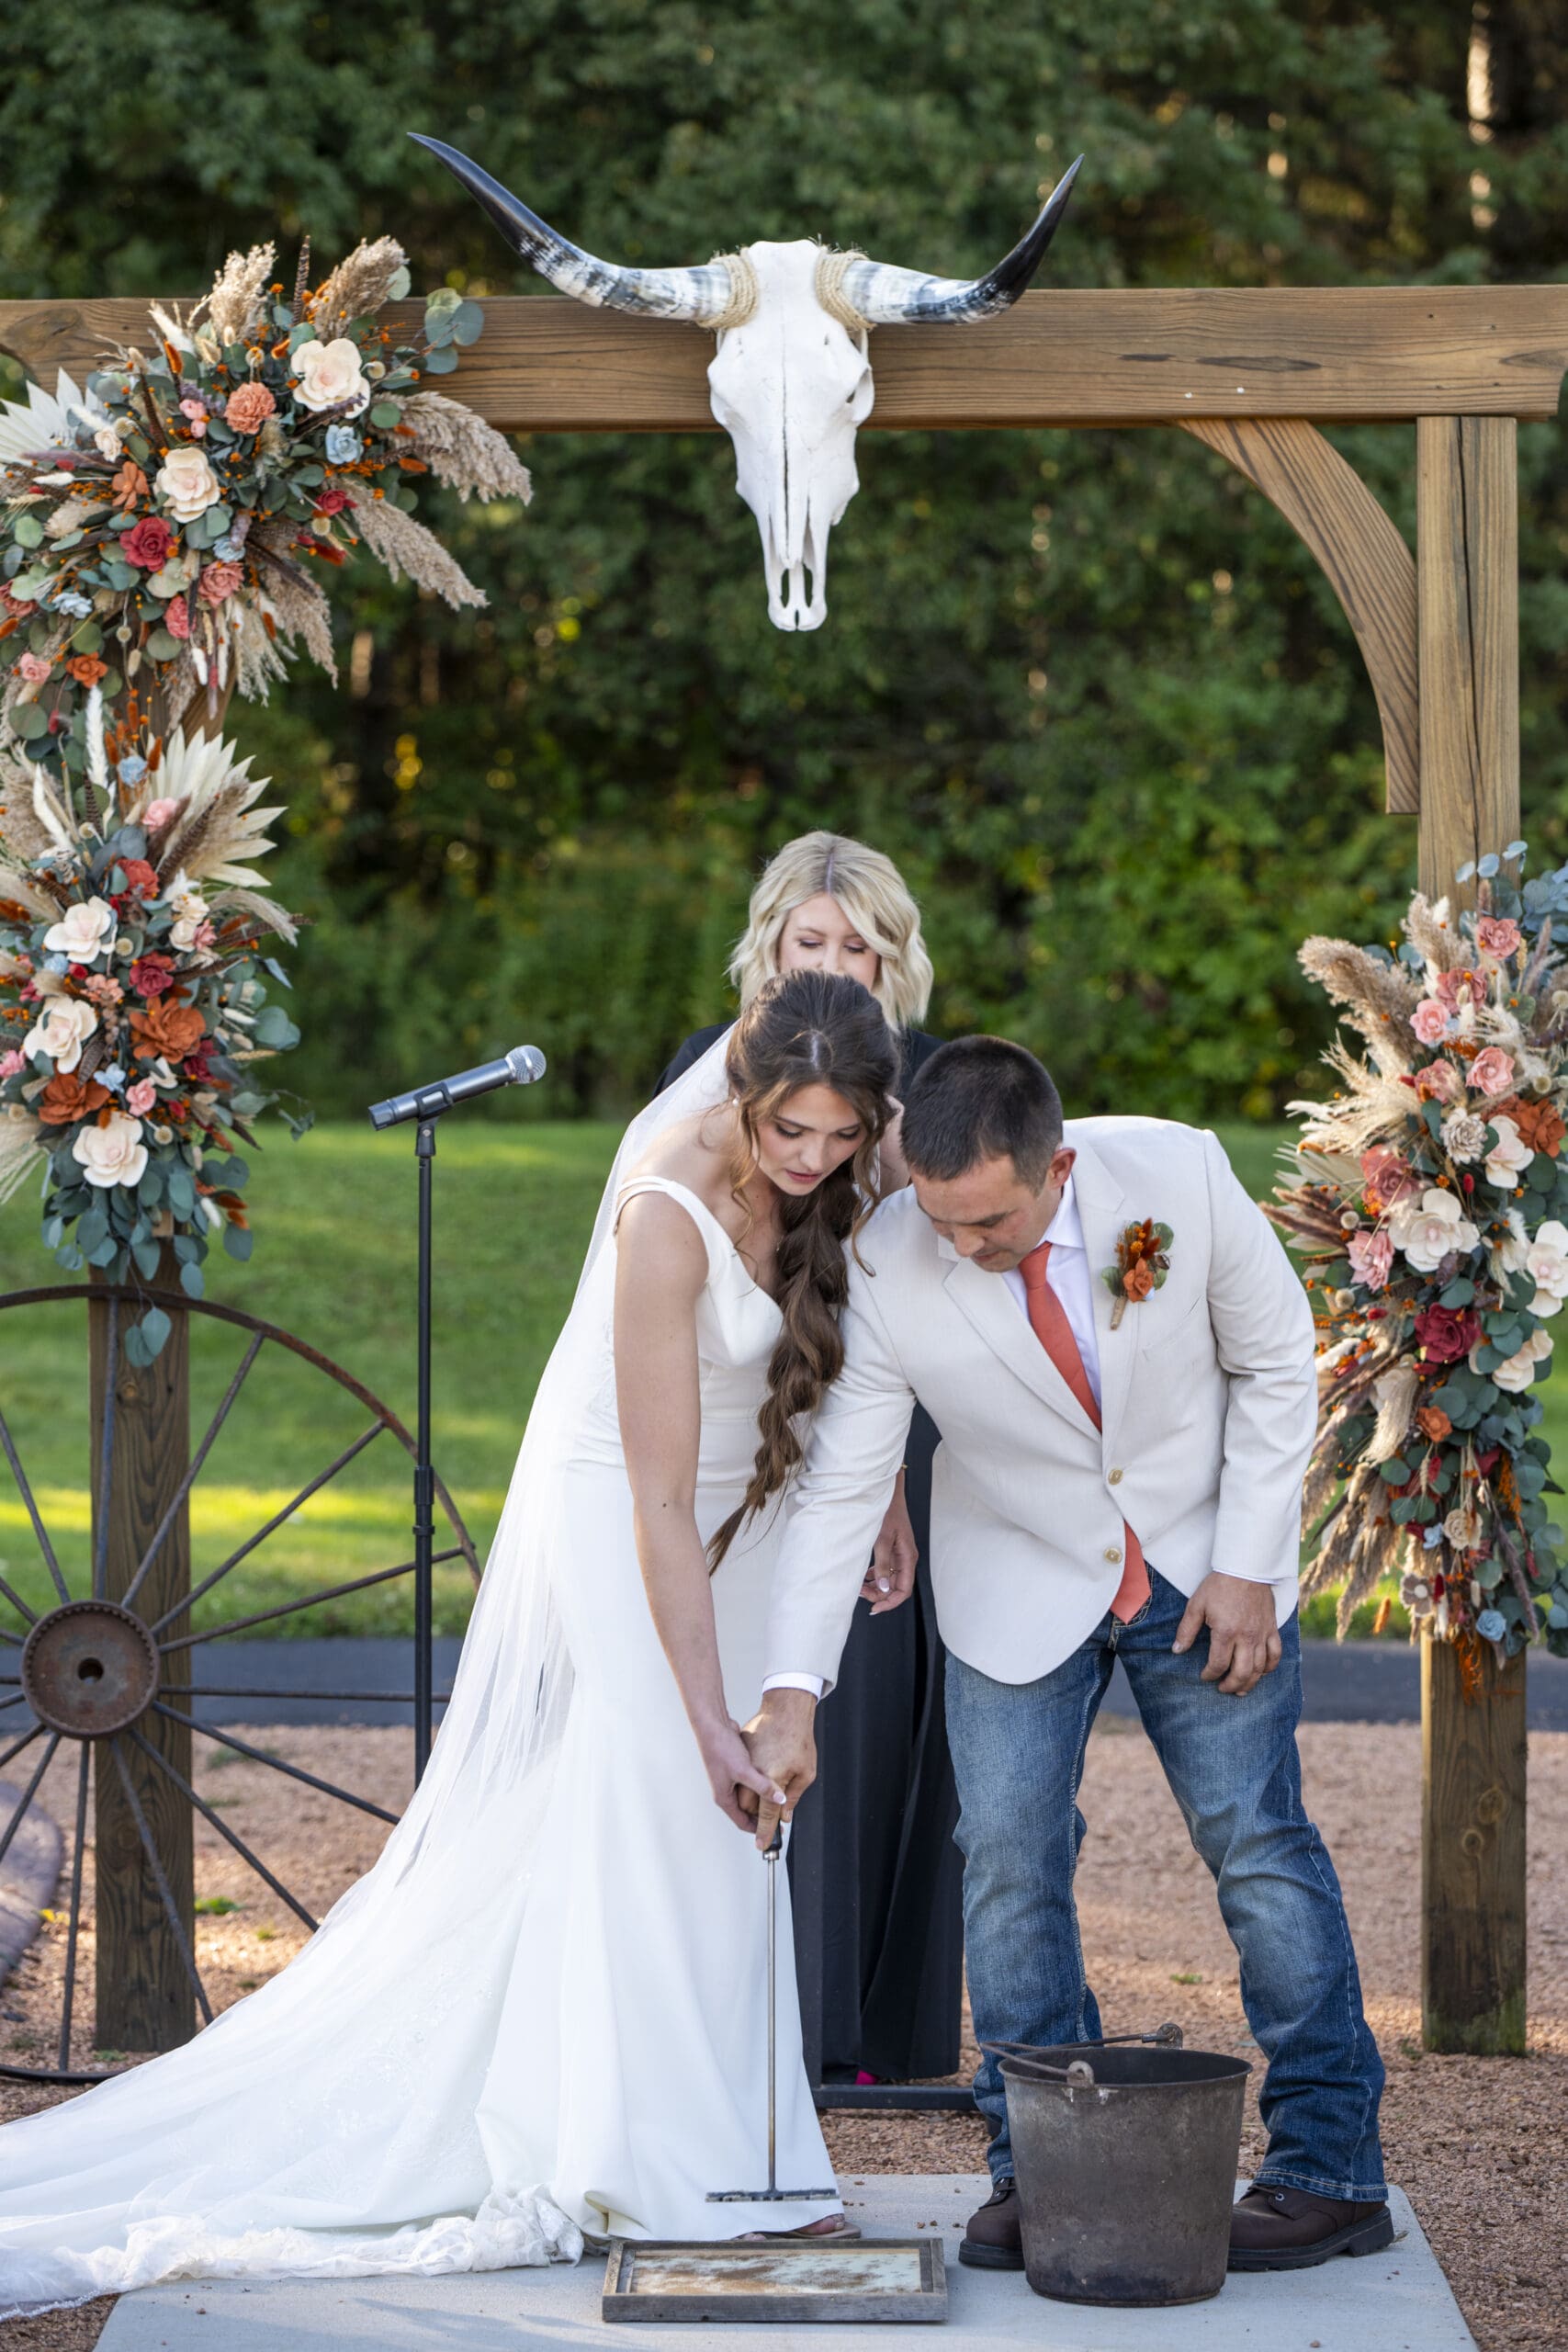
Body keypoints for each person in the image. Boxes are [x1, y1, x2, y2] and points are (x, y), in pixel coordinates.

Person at [0, 971, 898, 2313]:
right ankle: (656, 2165)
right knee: (675, 1774)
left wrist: (821, 1591)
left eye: (840, 1136)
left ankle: (729, 2145)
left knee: (732, 1815)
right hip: (630, 1514)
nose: (817, 1161)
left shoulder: (852, 1173)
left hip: (745, 1509)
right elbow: (653, 1495)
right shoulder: (665, 1208)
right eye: (794, 1136)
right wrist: (709, 1710)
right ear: (746, 1098)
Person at [745, 1036, 1393, 2275]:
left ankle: (1327, 2168)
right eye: (944, 1223)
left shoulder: (1181, 1178)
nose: (966, 1249)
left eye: (991, 1222)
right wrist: (792, 1690)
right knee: (1005, 1860)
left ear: (1061, 1167)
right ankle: (1039, 2170)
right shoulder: (895, 1257)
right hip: (1019, 1574)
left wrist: (1251, 1562)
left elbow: (1273, 1366)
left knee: (1258, 1848)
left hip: (1205, 1566)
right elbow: (844, 1488)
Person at [659, 831, 964, 2086]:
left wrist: (889, 1478)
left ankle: (870, 2033)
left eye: (861, 946)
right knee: (771, 1687)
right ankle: (756, 2017)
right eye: (812, 942)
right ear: (766, 950)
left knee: (881, 1705)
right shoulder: (709, 1082)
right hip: (757, 1421)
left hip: (901, 1427)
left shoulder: (934, 1089)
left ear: (899, 962)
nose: (836, 961)